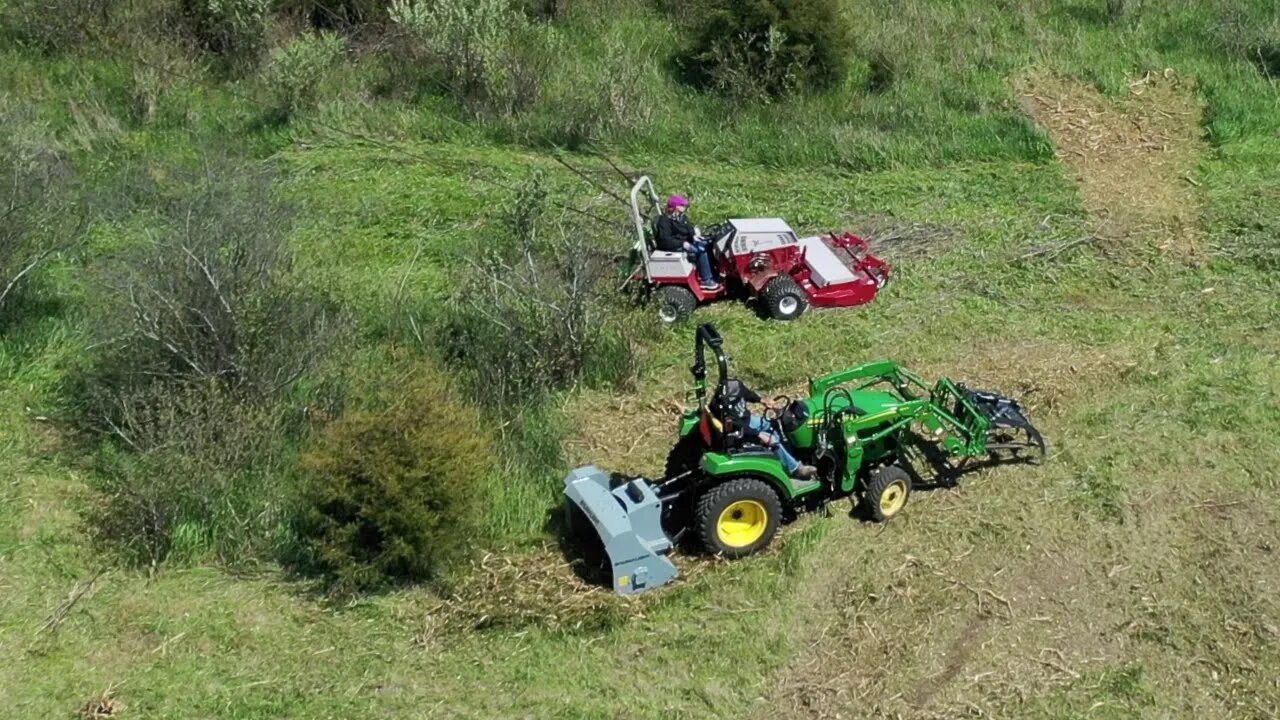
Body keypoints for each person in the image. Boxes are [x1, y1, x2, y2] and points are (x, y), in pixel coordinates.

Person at [716, 377, 817, 480]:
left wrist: (762, 400)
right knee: (772, 439)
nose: (738, 394)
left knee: (772, 423)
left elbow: (748, 394)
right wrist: (759, 434)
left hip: (748, 420)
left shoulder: (735, 386)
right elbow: (738, 427)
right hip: (741, 432)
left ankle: (788, 455)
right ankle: (796, 469)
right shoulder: (725, 407)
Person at [654, 194, 721, 290]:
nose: (685, 207)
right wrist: (683, 244)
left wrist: (694, 235)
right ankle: (706, 280)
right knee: (700, 250)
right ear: (676, 207)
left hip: (684, 242)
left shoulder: (682, 217)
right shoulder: (664, 221)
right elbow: (666, 240)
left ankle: (712, 273)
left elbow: (688, 228)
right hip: (672, 246)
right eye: (683, 205)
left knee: (708, 244)